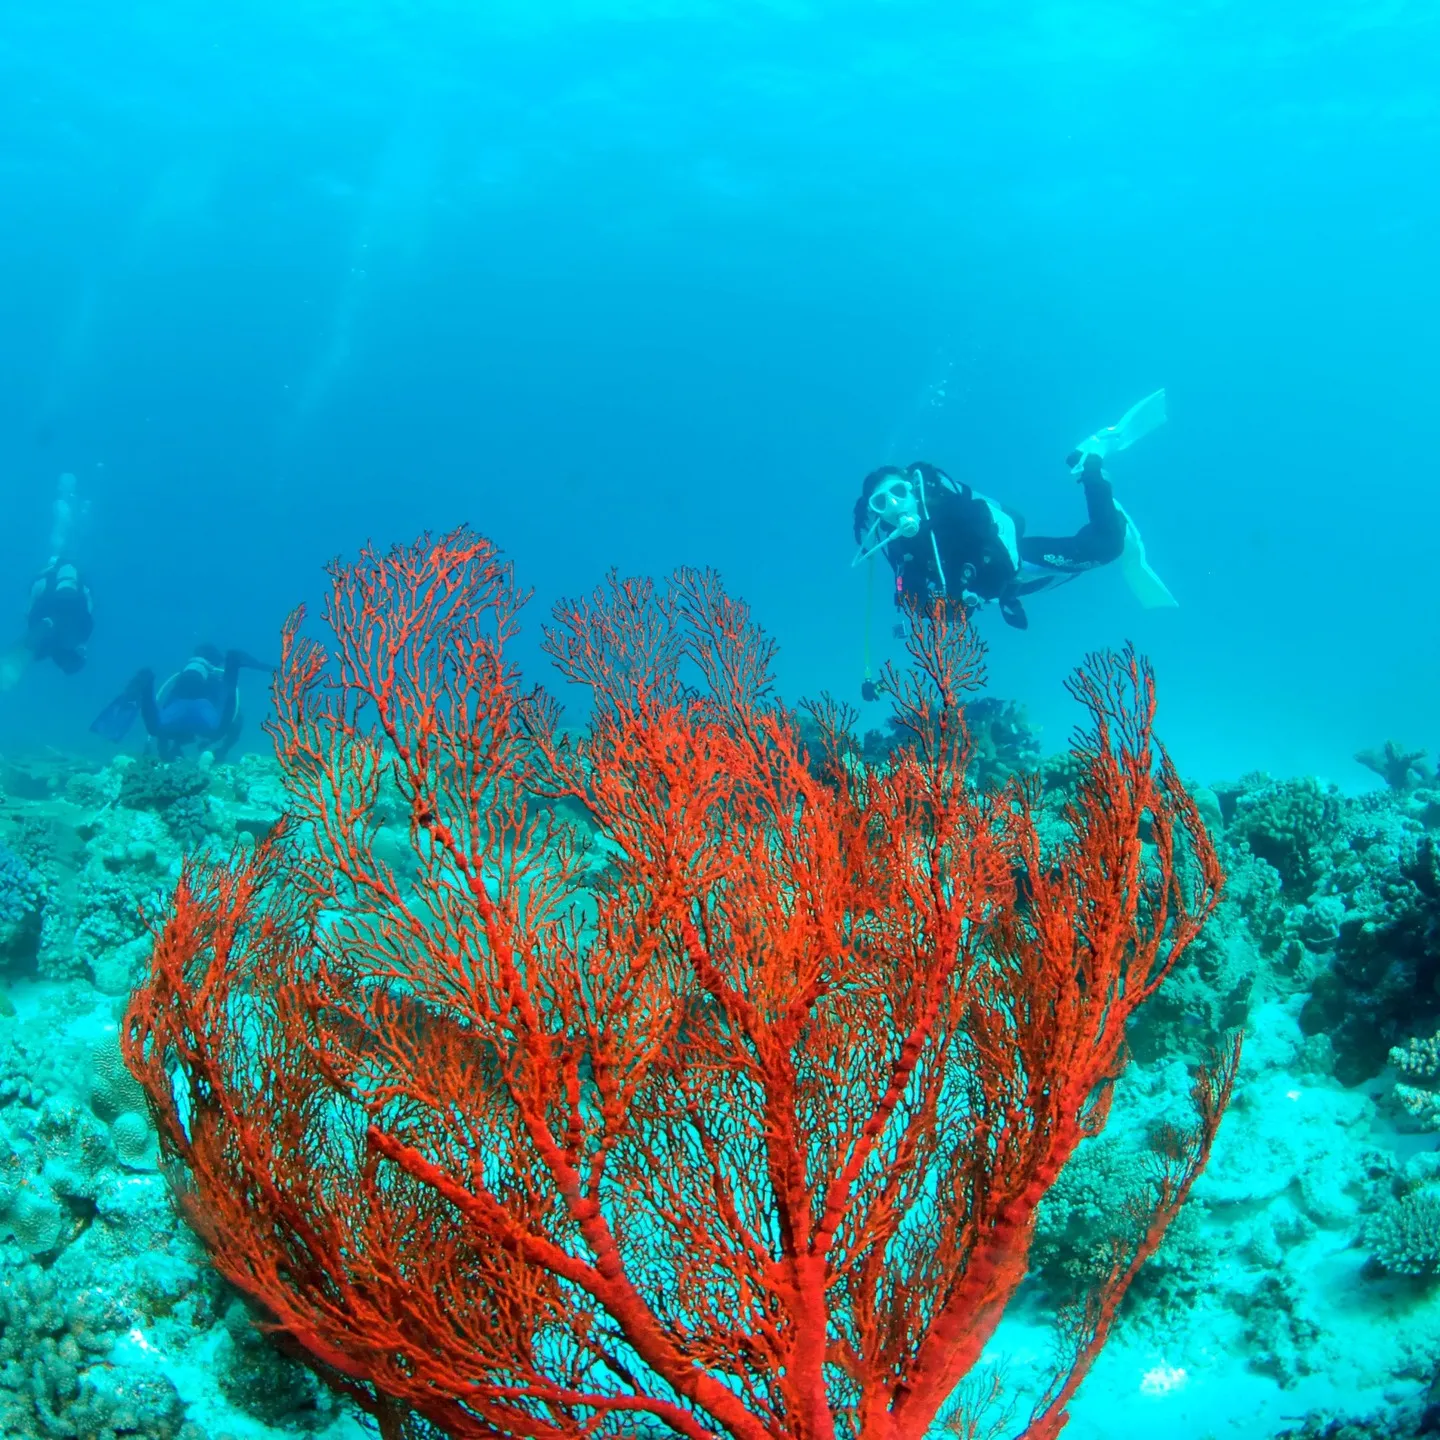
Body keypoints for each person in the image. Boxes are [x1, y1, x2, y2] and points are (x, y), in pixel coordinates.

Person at [852, 390, 1176, 693]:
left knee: (1107, 546)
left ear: (912, 489)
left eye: (897, 493)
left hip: (1016, 560)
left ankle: (1091, 461)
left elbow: (996, 530)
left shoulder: (948, 507)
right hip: (1001, 590)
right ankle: (1102, 522)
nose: (894, 507)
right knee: (1067, 573)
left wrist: (977, 575)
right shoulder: (898, 547)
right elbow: (914, 601)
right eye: (881, 503)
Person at [91, 645, 270, 760]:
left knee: (156, 728)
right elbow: (233, 714)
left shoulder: (180, 679)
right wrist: (221, 750)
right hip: (208, 721)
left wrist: (163, 755)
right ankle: (234, 662)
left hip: (173, 717)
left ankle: (146, 679)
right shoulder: (215, 679)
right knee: (223, 726)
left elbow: (164, 711)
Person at [0, 558, 95, 690]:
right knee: (48, 647)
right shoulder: (79, 584)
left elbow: (31, 604)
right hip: (75, 617)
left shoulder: (45, 578)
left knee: (39, 648)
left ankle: (10, 668)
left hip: (49, 612)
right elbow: (88, 607)